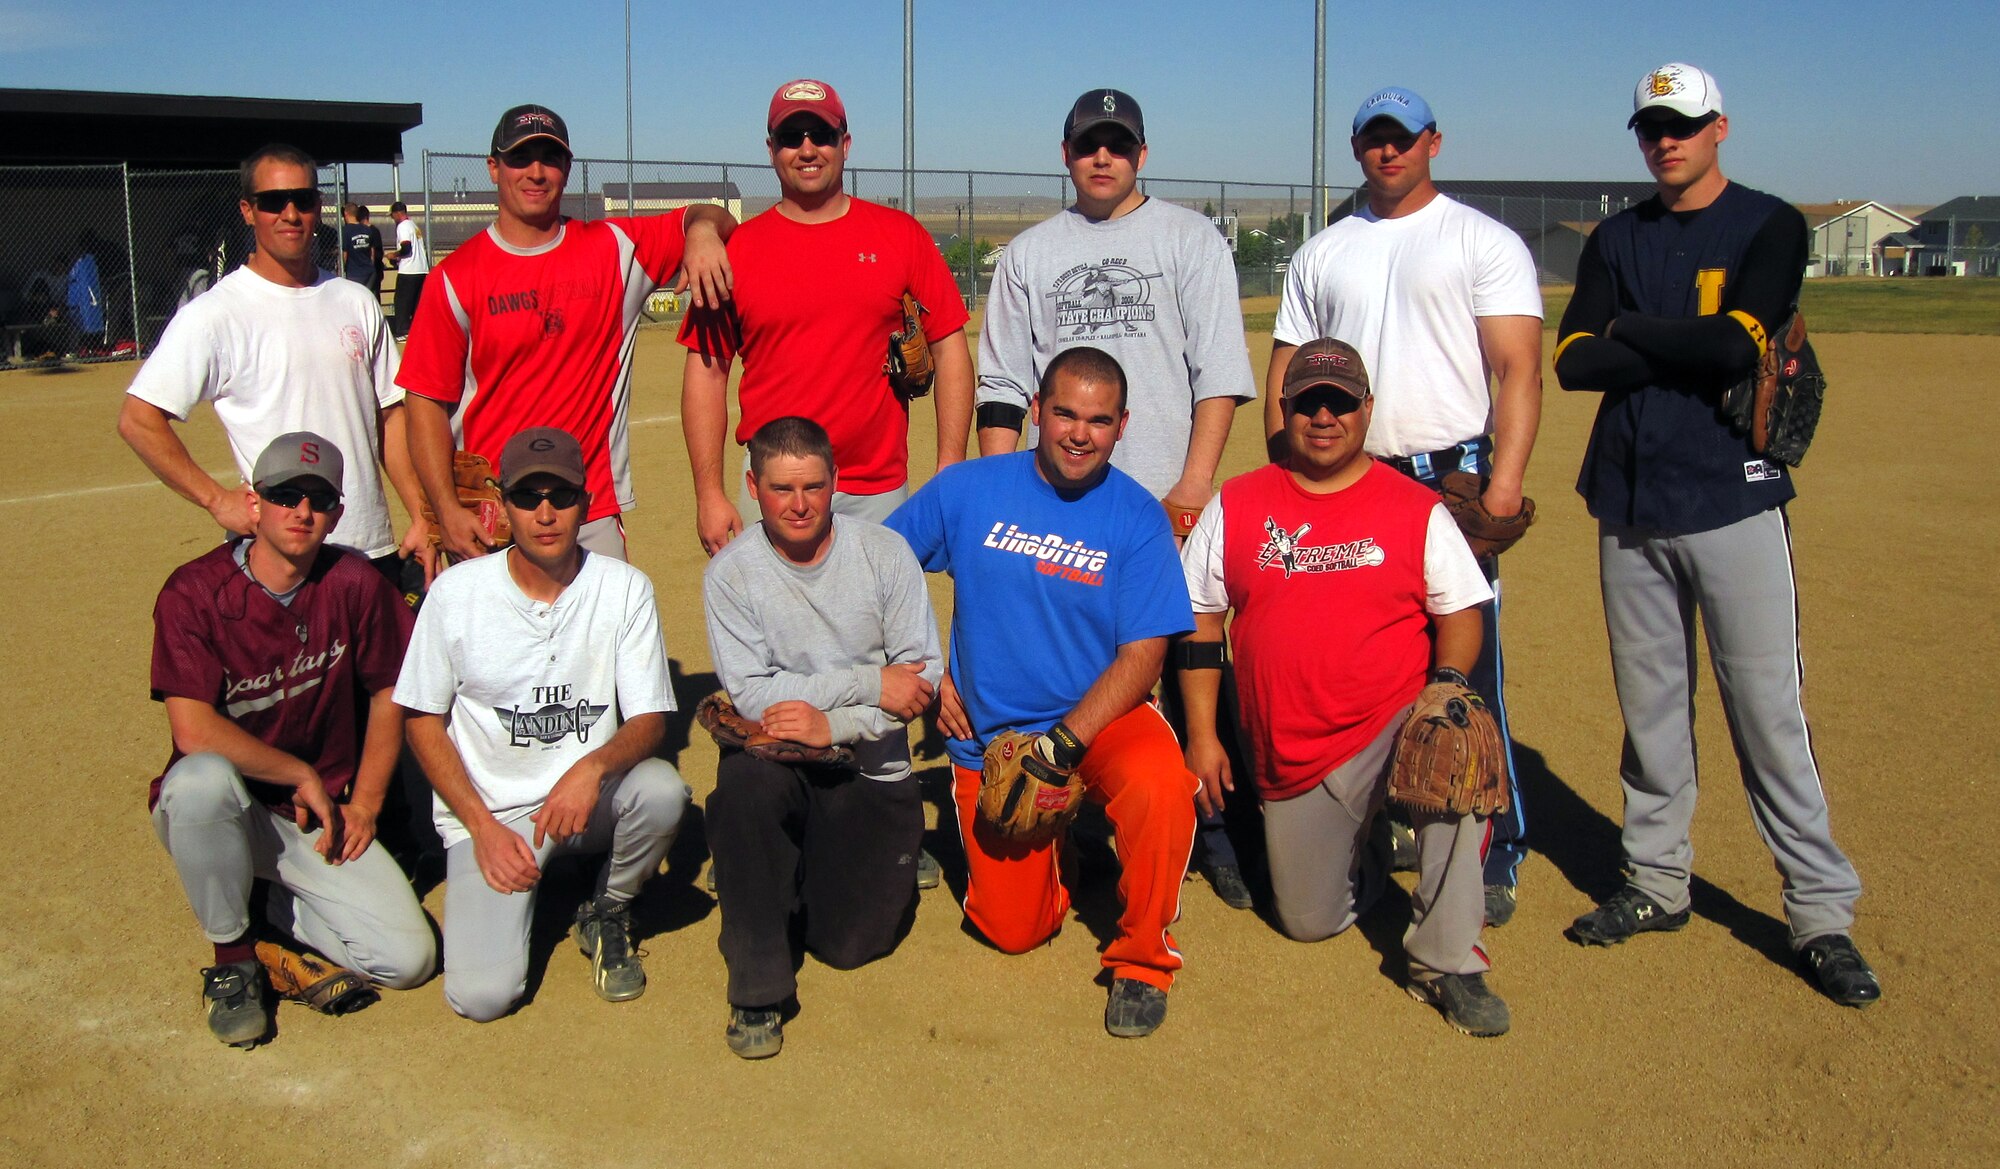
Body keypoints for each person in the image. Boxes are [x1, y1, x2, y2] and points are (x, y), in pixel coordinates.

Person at [1553, 64, 1879, 1007]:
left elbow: (1741, 345)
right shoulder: (1616, 235)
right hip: (1629, 496)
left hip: (1733, 495)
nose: (1666, 140)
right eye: (1652, 126)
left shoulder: (1770, 225)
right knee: (1651, 711)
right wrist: (1682, 335)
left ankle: (1820, 912)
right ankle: (1656, 882)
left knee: (1765, 713)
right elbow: (1577, 360)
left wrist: (1635, 330)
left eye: (1684, 124)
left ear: (1720, 128)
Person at [973, 87, 1258, 909]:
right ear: (1065, 154)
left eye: (1119, 144)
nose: (1104, 157)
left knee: (1188, 663)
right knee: (1076, 662)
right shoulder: (1029, 253)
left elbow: (1219, 374)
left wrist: (1194, 483)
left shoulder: (1188, 238)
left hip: (1164, 496)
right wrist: (1006, 494)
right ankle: (1083, 827)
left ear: (1141, 153)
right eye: (1088, 144)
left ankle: (1216, 830)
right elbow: (1002, 382)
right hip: (1060, 503)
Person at [1265, 86, 1543, 927]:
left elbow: (1518, 368)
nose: (1389, 152)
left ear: (1434, 141)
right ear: (1357, 148)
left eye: (1404, 137)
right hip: (1343, 475)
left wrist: (1502, 481)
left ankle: (1494, 848)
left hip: (1446, 473)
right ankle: (1381, 829)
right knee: (1357, 659)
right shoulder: (1324, 251)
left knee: (1466, 667)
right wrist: (1283, 465)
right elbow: (1286, 365)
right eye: (1374, 139)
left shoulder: (1480, 239)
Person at [1179, 340, 1508, 1036]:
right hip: (1294, 748)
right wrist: (1205, 735)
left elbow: (1461, 611)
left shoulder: (1413, 507)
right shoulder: (1237, 503)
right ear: (1286, 409)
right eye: (1308, 402)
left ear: (1366, 409)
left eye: (1341, 401)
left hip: (1397, 727)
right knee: (1306, 921)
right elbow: (1201, 619)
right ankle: (1369, 848)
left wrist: (1446, 688)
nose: (1324, 415)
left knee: (1453, 754)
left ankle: (1447, 960)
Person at [886, 347, 1198, 1039]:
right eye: (1064, 413)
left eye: (1098, 419)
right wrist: (923, 667)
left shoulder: (1137, 516)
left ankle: (1143, 957)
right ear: (1035, 410)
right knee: (1011, 931)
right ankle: (1062, 851)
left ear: (1122, 426)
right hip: (994, 738)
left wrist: (1065, 743)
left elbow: (1145, 651)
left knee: (1160, 784)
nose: (1078, 433)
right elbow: (879, 569)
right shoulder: (970, 489)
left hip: (1101, 720)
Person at [147, 432, 434, 1048]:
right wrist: (299, 773)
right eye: (284, 495)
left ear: (335, 512)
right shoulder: (194, 593)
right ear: (254, 503)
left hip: (313, 820)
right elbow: (192, 730)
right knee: (199, 783)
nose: (301, 511)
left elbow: (391, 690)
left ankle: (269, 921)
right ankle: (234, 962)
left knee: (407, 960)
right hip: (228, 812)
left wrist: (369, 803)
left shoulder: (354, 582)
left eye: (319, 498)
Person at [395, 427, 690, 1022]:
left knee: (661, 790)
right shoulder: (456, 594)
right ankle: (529, 879)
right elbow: (422, 722)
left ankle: (608, 906)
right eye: (528, 497)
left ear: (585, 502)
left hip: (587, 800)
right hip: (497, 817)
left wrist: (592, 767)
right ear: (501, 505)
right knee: (482, 998)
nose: (546, 512)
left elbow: (651, 718)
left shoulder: (623, 587)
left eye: (562, 495)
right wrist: (479, 827)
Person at [398, 103, 736, 568]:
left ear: (566, 169)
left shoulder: (613, 249)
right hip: (494, 518)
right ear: (494, 168)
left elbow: (711, 215)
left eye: (550, 158)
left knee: (603, 640)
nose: (536, 172)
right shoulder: (454, 277)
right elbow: (424, 405)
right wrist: (444, 509)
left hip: (588, 511)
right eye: (520, 158)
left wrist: (700, 232)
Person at [702, 416, 944, 1058]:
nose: (800, 504)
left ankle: (783, 870)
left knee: (850, 945)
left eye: (813, 485)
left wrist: (832, 722)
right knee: (744, 786)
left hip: (870, 769)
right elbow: (753, 697)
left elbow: (920, 681)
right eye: (782, 488)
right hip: (781, 761)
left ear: (836, 480)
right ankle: (755, 990)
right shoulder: (731, 573)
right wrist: (869, 682)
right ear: (752, 486)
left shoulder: (884, 555)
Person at [680, 78, 973, 557]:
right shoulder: (738, 251)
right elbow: (707, 373)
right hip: (774, 489)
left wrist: (949, 467)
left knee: (876, 631)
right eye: (791, 136)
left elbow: (950, 347)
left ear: (846, 143)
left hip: (875, 491)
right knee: (773, 630)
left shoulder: (900, 236)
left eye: (822, 134)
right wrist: (709, 494)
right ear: (771, 149)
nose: (807, 148)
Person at [118, 143, 431, 580]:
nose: (289, 214)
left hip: (368, 551)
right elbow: (138, 419)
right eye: (272, 202)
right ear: (247, 210)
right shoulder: (214, 314)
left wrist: (421, 515)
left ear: (318, 207)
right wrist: (216, 499)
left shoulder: (356, 301)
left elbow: (390, 418)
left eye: (302, 200)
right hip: (280, 559)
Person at [388, 201, 426, 340]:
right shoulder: (413, 225)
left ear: (398, 213)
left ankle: (403, 330)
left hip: (409, 270)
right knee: (416, 302)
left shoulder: (403, 226)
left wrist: (394, 255)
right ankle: (416, 330)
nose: (393, 219)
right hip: (421, 269)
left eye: (393, 216)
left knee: (402, 301)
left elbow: (406, 248)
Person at [340, 203, 384, 297]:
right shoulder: (367, 229)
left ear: (346, 213)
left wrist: (342, 269)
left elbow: (345, 254)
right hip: (369, 272)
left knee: (355, 299)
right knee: (369, 297)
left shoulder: (345, 231)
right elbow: (372, 253)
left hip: (354, 273)